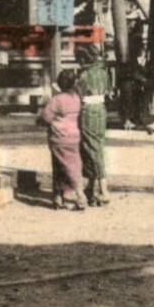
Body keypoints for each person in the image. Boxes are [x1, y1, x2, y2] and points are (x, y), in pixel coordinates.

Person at [37, 69, 85, 210]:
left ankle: (76, 196)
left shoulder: (57, 100)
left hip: (58, 138)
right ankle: (59, 196)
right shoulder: (76, 98)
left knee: (61, 167)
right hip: (74, 137)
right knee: (72, 165)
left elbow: (45, 118)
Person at [76, 45, 111, 206]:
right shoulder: (104, 73)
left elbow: (78, 94)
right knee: (97, 145)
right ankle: (92, 187)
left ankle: (103, 189)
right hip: (101, 109)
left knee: (90, 147)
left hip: (88, 110)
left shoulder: (84, 75)